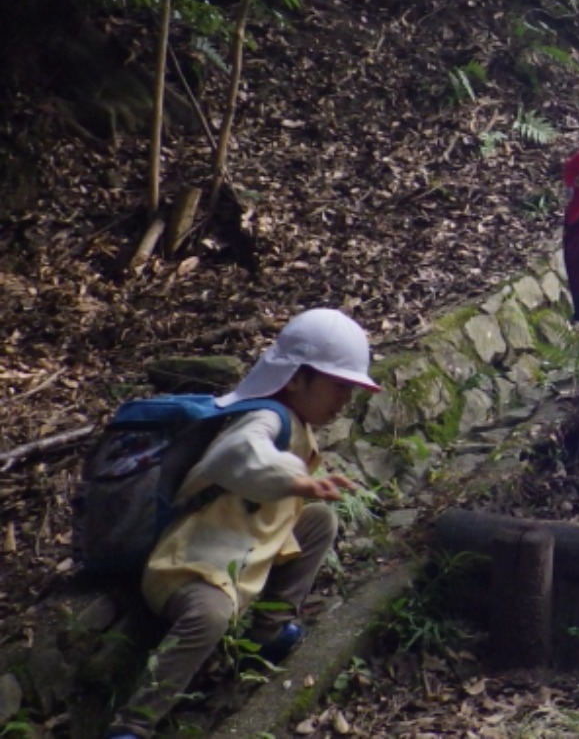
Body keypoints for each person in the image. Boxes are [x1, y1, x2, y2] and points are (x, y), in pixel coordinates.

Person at [109, 309, 380, 739]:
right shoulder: (266, 418)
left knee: (318, 522)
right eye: (339, 386)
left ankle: (267, 630)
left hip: (238, 555)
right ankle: (135, 722)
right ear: (296, 379)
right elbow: (233, 456)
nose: (345, 400)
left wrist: (303, 489)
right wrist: (295, 480)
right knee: (210, 618)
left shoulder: (296, 423)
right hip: (190, 567)